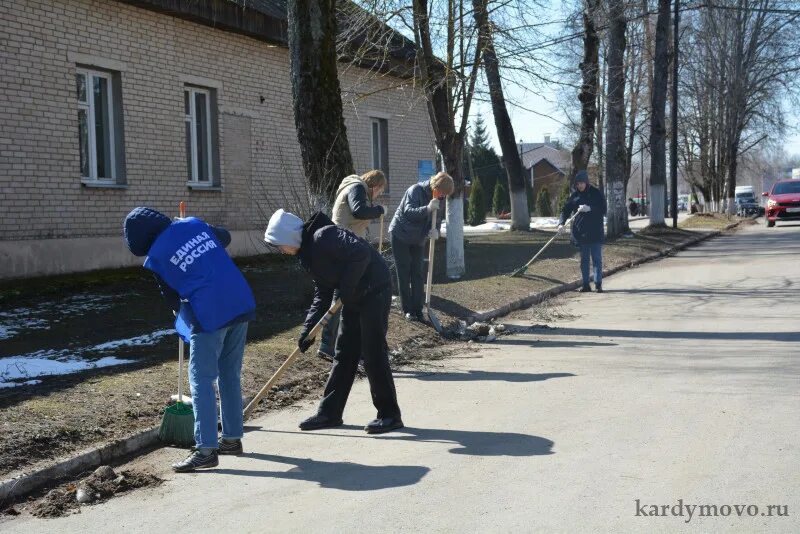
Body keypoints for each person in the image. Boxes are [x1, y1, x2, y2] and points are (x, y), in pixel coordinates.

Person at [123, 207, 256, 472]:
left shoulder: (157, 257)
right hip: (240, 301)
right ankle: (231, 439)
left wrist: (185, 321)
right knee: (229, 373)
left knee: (201, 379)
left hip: (211, 312)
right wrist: (196, 230)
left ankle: (206, 449)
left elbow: (173, 300)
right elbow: (225, 237)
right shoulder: (194, 224)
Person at [264, 209, 403, 434]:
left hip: (374, 289)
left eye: (279, 244)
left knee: (372, 352)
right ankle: (330, 413)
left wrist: (346, 289)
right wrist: (308, 330)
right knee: (344, 353)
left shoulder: (325, 236)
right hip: (353, 295)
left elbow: (361, 254)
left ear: (289, 237)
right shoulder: (308, 254)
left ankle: (389, 415)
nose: (280, 250)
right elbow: (323, 292)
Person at [318, 170, 387, 361]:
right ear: (375, 185)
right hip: (345, 247)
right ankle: (328, 343)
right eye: (380, 191)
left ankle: (336, 343)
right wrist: (379, 210)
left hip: (344, 245)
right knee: (343, 295)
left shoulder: (353, 187)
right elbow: (359, 210)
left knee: (346, 294)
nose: (378, 195)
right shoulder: (357, 188)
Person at [388, 172, 455, 321]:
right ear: (435, 186)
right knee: (404, 272)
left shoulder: (439, 197)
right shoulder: (415, 190)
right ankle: (407, 310)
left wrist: (435, 230)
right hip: (401, 235)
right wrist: (427, 208)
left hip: (418, 238)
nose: (442, 196)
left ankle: (418, 309)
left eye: (445, 195)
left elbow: (437, 217)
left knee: (417, 273)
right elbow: (409, 212)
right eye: (442, 192)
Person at [558, 170, 607, 293]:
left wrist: (590, 208)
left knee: (596, 259)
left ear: (586, 182)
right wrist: (561, 223)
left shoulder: (596, 193)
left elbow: (603, 209)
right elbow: (565, 210)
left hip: (595, 232)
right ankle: (586, 285)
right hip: (581, 234)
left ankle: (598, 284)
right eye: (577, 184)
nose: (579, 186)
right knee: (584, 260)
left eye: (581, 183)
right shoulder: (575, 196)